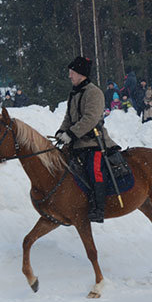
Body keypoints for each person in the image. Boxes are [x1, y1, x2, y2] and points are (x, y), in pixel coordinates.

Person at [55, 56, 117, 223]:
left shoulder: (94, 93)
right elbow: (68, 117)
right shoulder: (74, 94)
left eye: (71, 73)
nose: (69, 76)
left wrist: (72, 134)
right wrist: (62, 131)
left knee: (94, 170)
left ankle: (98, 208)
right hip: (76, 144)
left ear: (80, 74)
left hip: (94, 143)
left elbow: (90, 119)